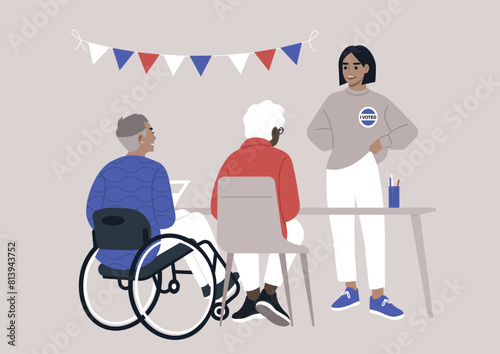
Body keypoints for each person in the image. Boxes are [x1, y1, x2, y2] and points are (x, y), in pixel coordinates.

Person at [307, 45, 418, 320]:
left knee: (373, 229)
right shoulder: (332, 100)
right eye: (345, 66)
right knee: (342, 231)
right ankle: (350, 290)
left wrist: (383, 142)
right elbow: (313, 131)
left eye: (355, 66)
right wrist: (338, 144)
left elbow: (409, 129)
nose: (350, 71)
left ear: (367, 68)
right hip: (335, 172)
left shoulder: (379, 101)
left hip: (366, 169)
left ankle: (378, 297)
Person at [86, 113, 237, 300]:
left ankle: (210, 283)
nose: (154, 137)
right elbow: (165, 221)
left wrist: (116, 233)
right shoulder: (155, 170)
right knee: (195, 222)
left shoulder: (106, 171)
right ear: (141, 138)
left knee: (186, 219)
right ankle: (220, 282)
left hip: (110, 252)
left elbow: (91, 214)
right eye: (151, 131)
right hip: (144, 251)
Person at [211, 100, 304, 326]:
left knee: (240, 229)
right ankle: (269, 294)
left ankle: (251, 298)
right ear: (272, 130)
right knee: (296, 228)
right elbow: (291, 210)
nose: (279, 135)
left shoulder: (232, 160)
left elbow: (216, 209)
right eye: (279, 130)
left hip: (236, 236)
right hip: (271, 234)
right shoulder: (281, 158)